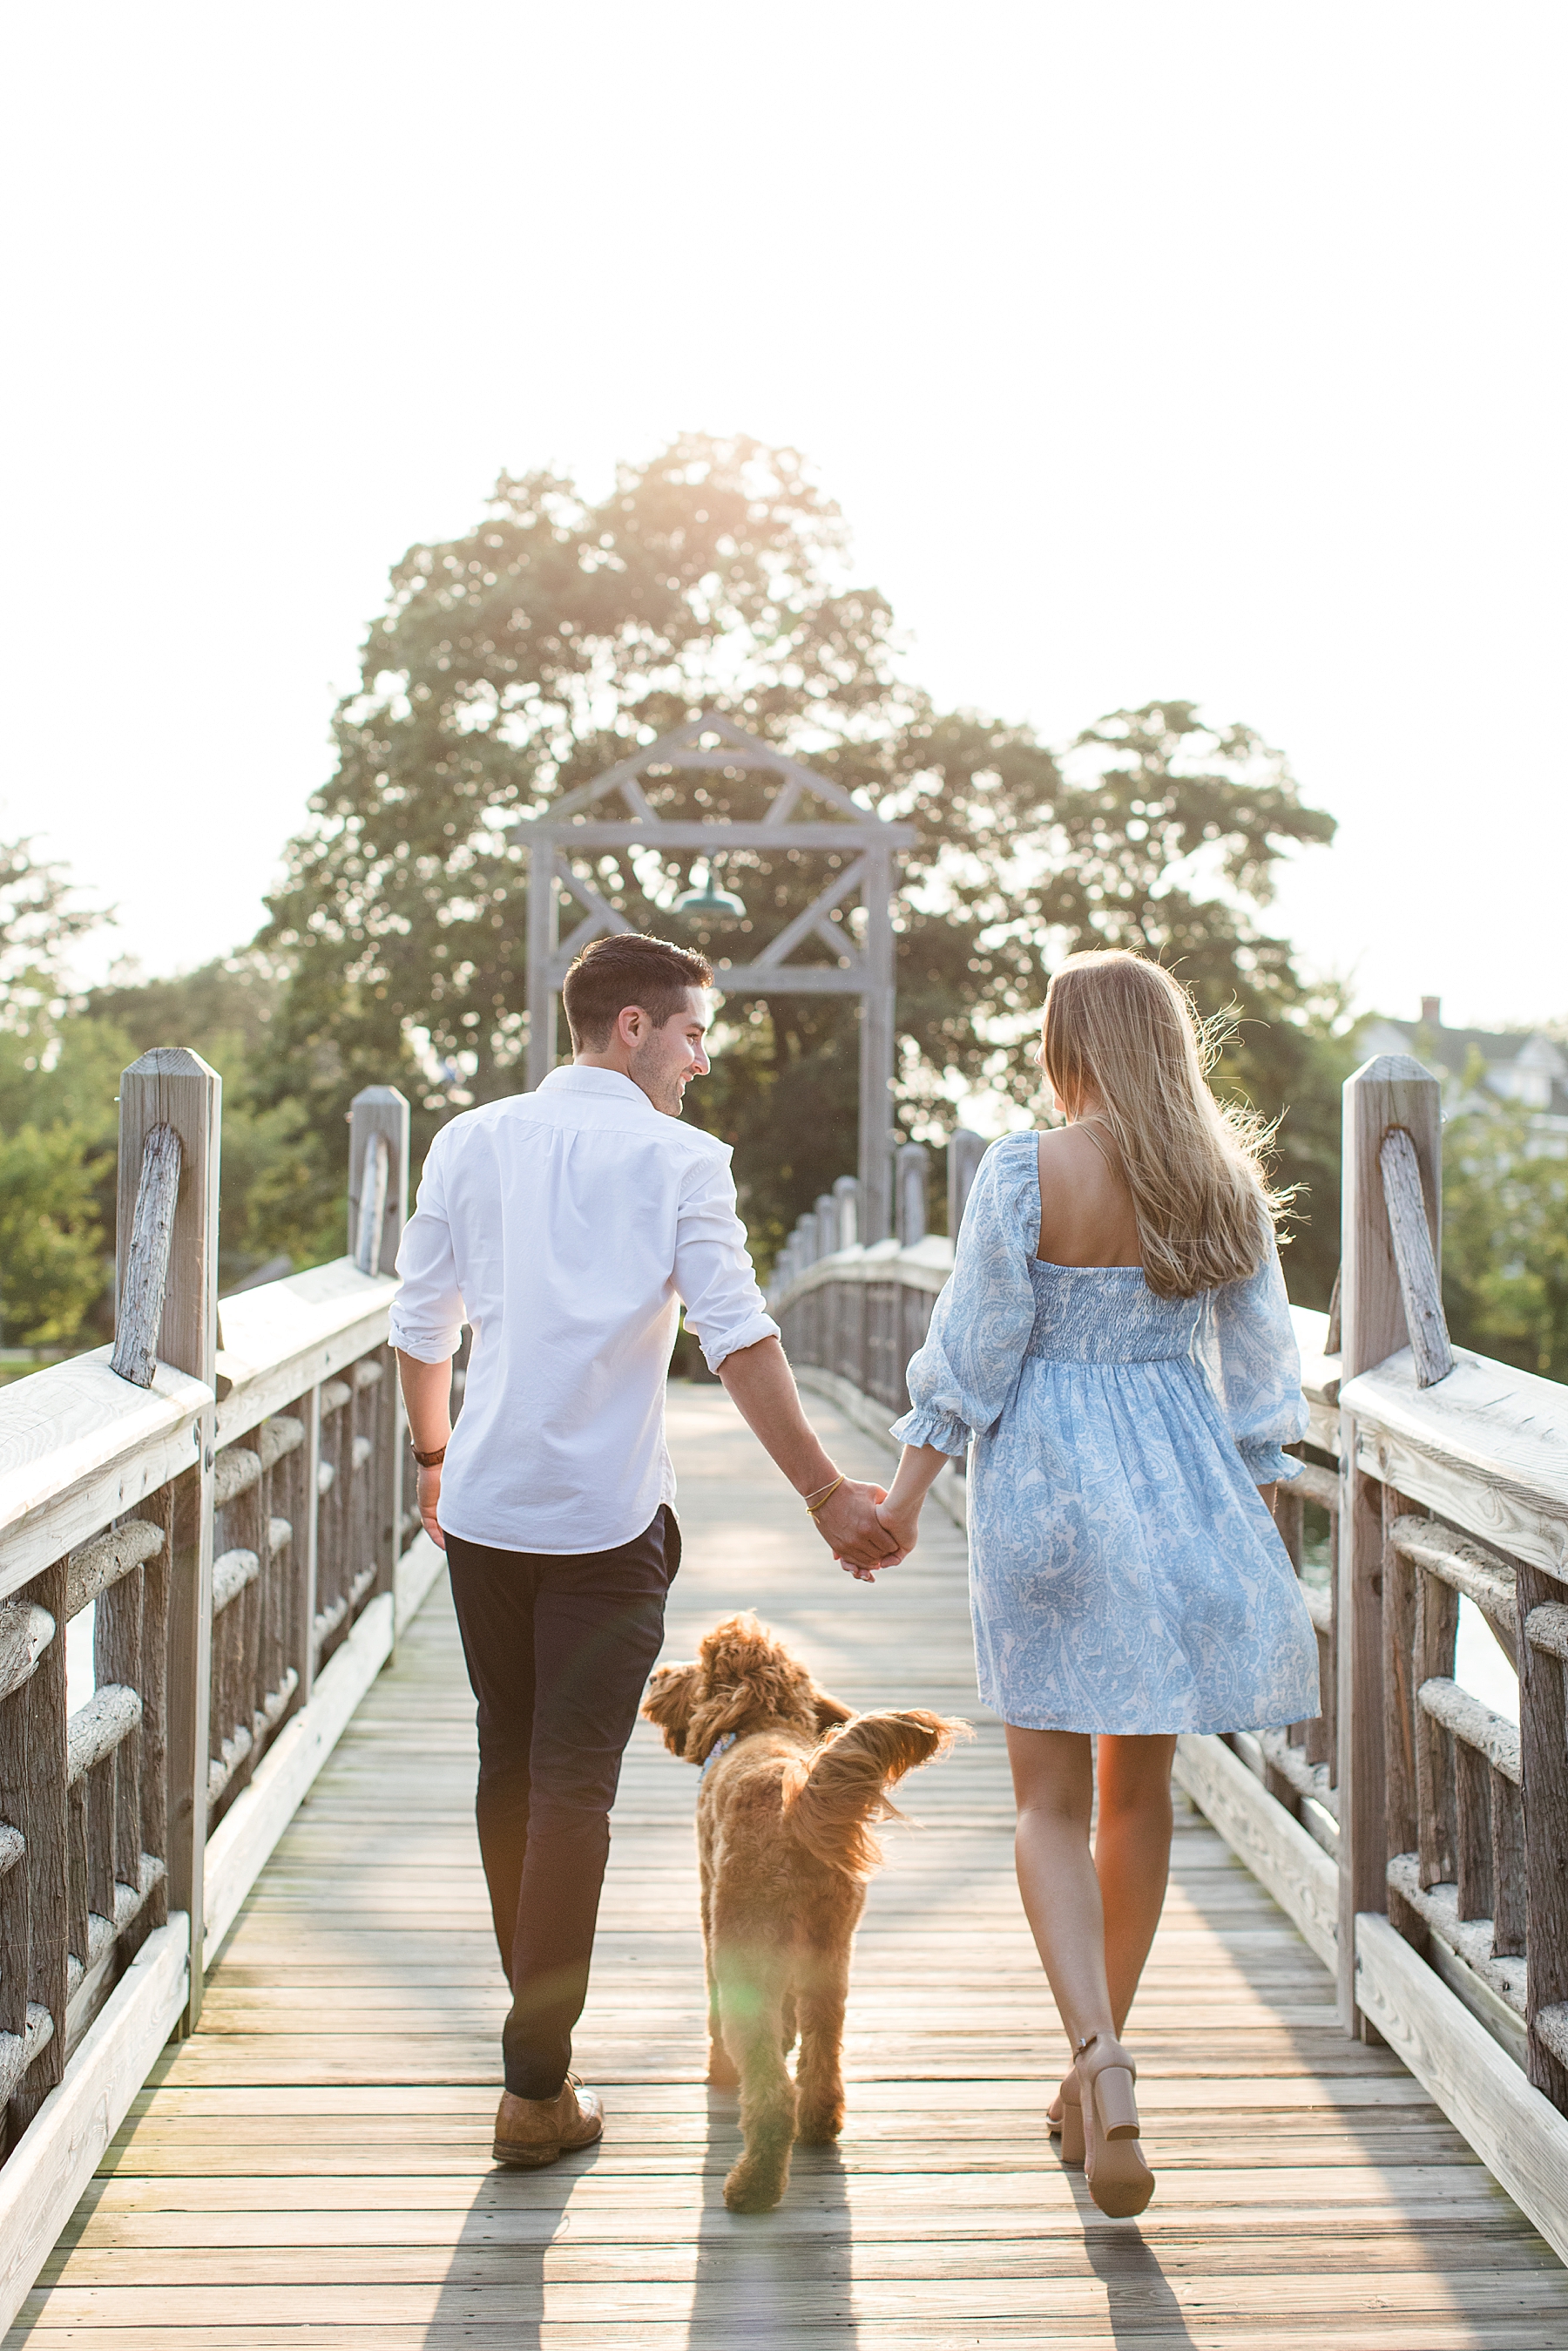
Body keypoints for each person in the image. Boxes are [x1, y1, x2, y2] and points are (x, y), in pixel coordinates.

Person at [389, 932, 899, 2171]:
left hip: (488, 1510)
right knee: (575, 1781)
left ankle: (539, 2068)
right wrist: (828, 1490)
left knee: (505, 1755)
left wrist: (432, 1458)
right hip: (610, 1523)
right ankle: (534, 2081)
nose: (701, 1060)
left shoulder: (469, 1141)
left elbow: (421, 1325)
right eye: (689, 1034)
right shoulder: (681, 1160)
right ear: (629, 1027)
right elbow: (738, 1337)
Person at [869, 949, 1318, 2218]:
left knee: (1047, 1802)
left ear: (1069, 1046)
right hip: (1181, 1495)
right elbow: (1264, 1390)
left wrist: (898, 1502)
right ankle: (1107, 2058)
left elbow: (970, 1351)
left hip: (1046, 1501)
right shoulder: (1218, 1180)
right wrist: (1242, 1541)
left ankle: (1093, 2057)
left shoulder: (1027, 1170)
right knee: (1139, 1794)